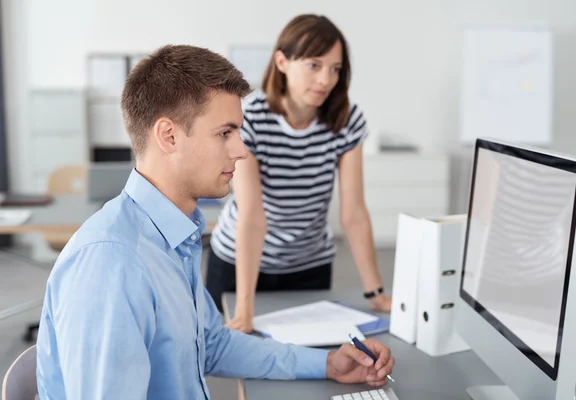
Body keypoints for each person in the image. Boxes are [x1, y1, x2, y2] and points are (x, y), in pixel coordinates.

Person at [34, 45, 395, 399]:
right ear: (169, 135)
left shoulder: (175, 235)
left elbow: (211, 344)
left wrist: (327, 363)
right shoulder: (111, 264)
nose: (241, 149)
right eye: (225, 133)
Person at [207, 14, 392, 333]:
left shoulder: (346, 120)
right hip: (241, 263)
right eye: (314, 65)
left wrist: (375, 293)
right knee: (236, 357)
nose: (326, 80)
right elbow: (251, 215)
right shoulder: (251, 117)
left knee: (307, 362)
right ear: (282, 61)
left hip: (309, 265)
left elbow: (354, 214)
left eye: (335, 69)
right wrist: (245, 308)